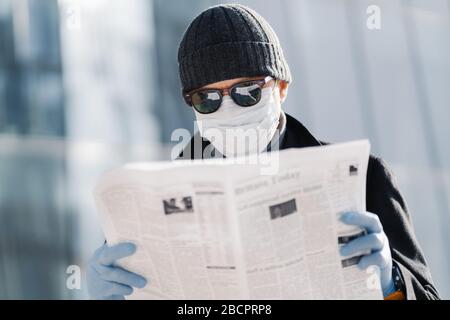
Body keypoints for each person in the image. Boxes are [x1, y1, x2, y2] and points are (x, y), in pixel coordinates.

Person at [87, 4, 439, 300]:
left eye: (246, 91)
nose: (229, 107)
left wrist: (391, 283)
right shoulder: (153, 204)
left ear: (281, 87)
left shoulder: (364, 177)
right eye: (207, 99)